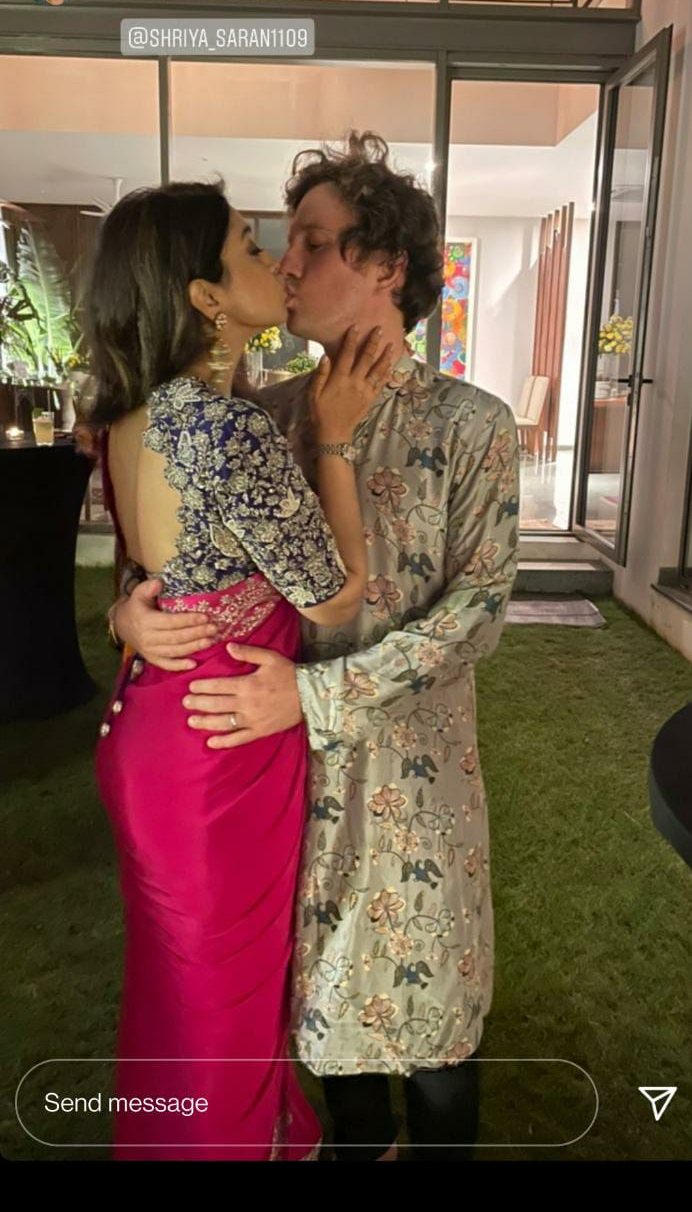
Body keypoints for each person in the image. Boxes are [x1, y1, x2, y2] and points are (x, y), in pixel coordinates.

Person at [113, 134, 521, 1161]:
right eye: (277, 245)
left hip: (414, 784)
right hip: (280, 788)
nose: (288, 265)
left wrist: (315, 694)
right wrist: (131, 611)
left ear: (385, 265)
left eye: (312, 242)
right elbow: (184, 545)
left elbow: (475, 611)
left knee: (433, 1029)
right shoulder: (265, 416)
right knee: (323, 1023)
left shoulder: (472, 426)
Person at [88, 178, 394, 1161]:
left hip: (157, 729)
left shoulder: (136, 411)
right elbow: (334, 598)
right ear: (206, 297)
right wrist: (335, 439)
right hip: (219, 747)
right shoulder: (224, 428)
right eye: (251, 249)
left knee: (178, 1011)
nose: (278, 263)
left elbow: (152, 571)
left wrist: (121, 611)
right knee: (220, 1025)